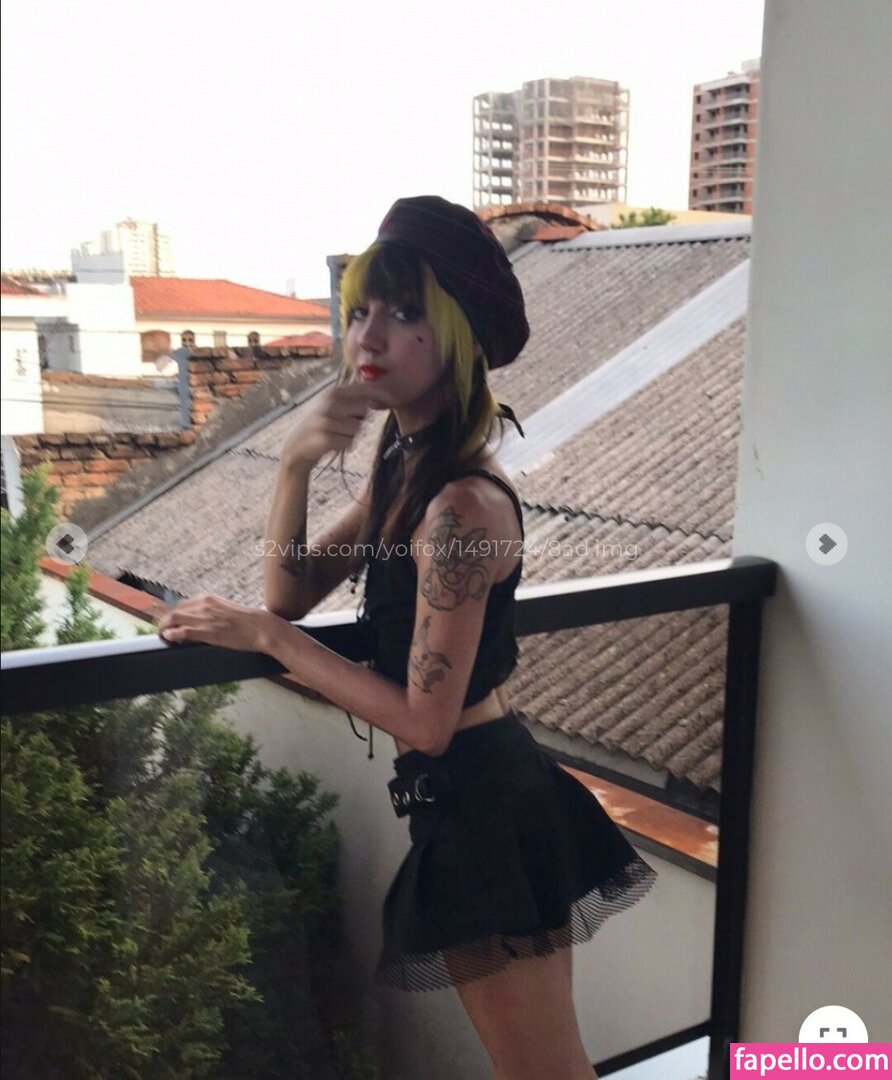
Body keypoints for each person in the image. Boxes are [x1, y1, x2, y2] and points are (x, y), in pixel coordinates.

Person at [157, 196, 657, 1080]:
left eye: (403, 312)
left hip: (484, 804)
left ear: (455, 335)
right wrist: (293, 463)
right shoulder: (404, 466)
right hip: (475, 797)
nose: (370, 336)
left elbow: (425, 721)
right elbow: (291, 588)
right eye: (360, 311)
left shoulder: (459, 506)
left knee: (542, 1072)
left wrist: (270, 641)